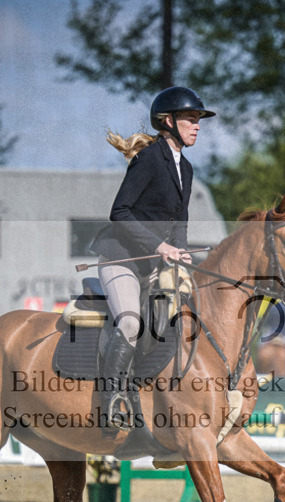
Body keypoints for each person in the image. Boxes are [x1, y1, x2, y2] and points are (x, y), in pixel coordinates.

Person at [89, 86, 215, 433]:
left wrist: (181, 255)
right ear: (168, 121)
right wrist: (161, 247)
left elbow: (180, 223)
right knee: (130, 323)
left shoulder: (184, 169)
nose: (197, 125)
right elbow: (120, 212)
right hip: (120, 260)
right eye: (191, 118)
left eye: (198, 119)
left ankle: (143, 393)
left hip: (155, 266)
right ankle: (111, 400)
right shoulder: (149, 159)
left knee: (183, 321)